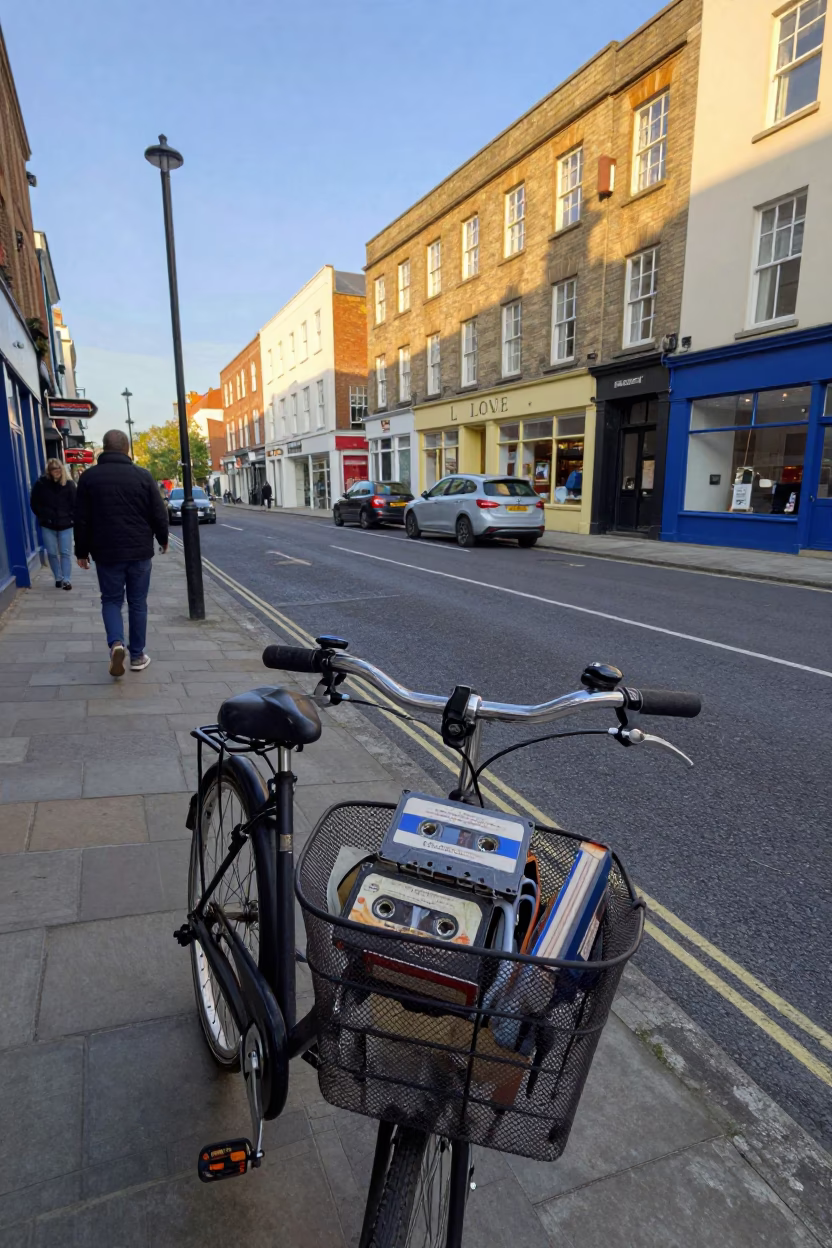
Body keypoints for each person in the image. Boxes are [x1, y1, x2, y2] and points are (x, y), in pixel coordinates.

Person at [74, 429, 169, 678]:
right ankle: (137, 655)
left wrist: (81, 551)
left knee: (111, 600)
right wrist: (163, 539)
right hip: (139, 551)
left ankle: (116, 643)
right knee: (138, 602)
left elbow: (81, 518)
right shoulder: (143, 476)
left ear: (104, 448)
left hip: (106, 552)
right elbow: (158, 512)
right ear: (126, 448)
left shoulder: (89, 478)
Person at [30, 458, 77, 590]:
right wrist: (43, 515)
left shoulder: (69, 484)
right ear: (48, 471)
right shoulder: (41, 484)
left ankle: (66, 579)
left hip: (66, 524)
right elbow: (34, 503)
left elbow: (75, 503)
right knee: (51, 553)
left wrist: (71, 517)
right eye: (53, 469)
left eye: (58, 468)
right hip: (48, 524)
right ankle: (58, 577)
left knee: (65, 552)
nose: (56, 471)